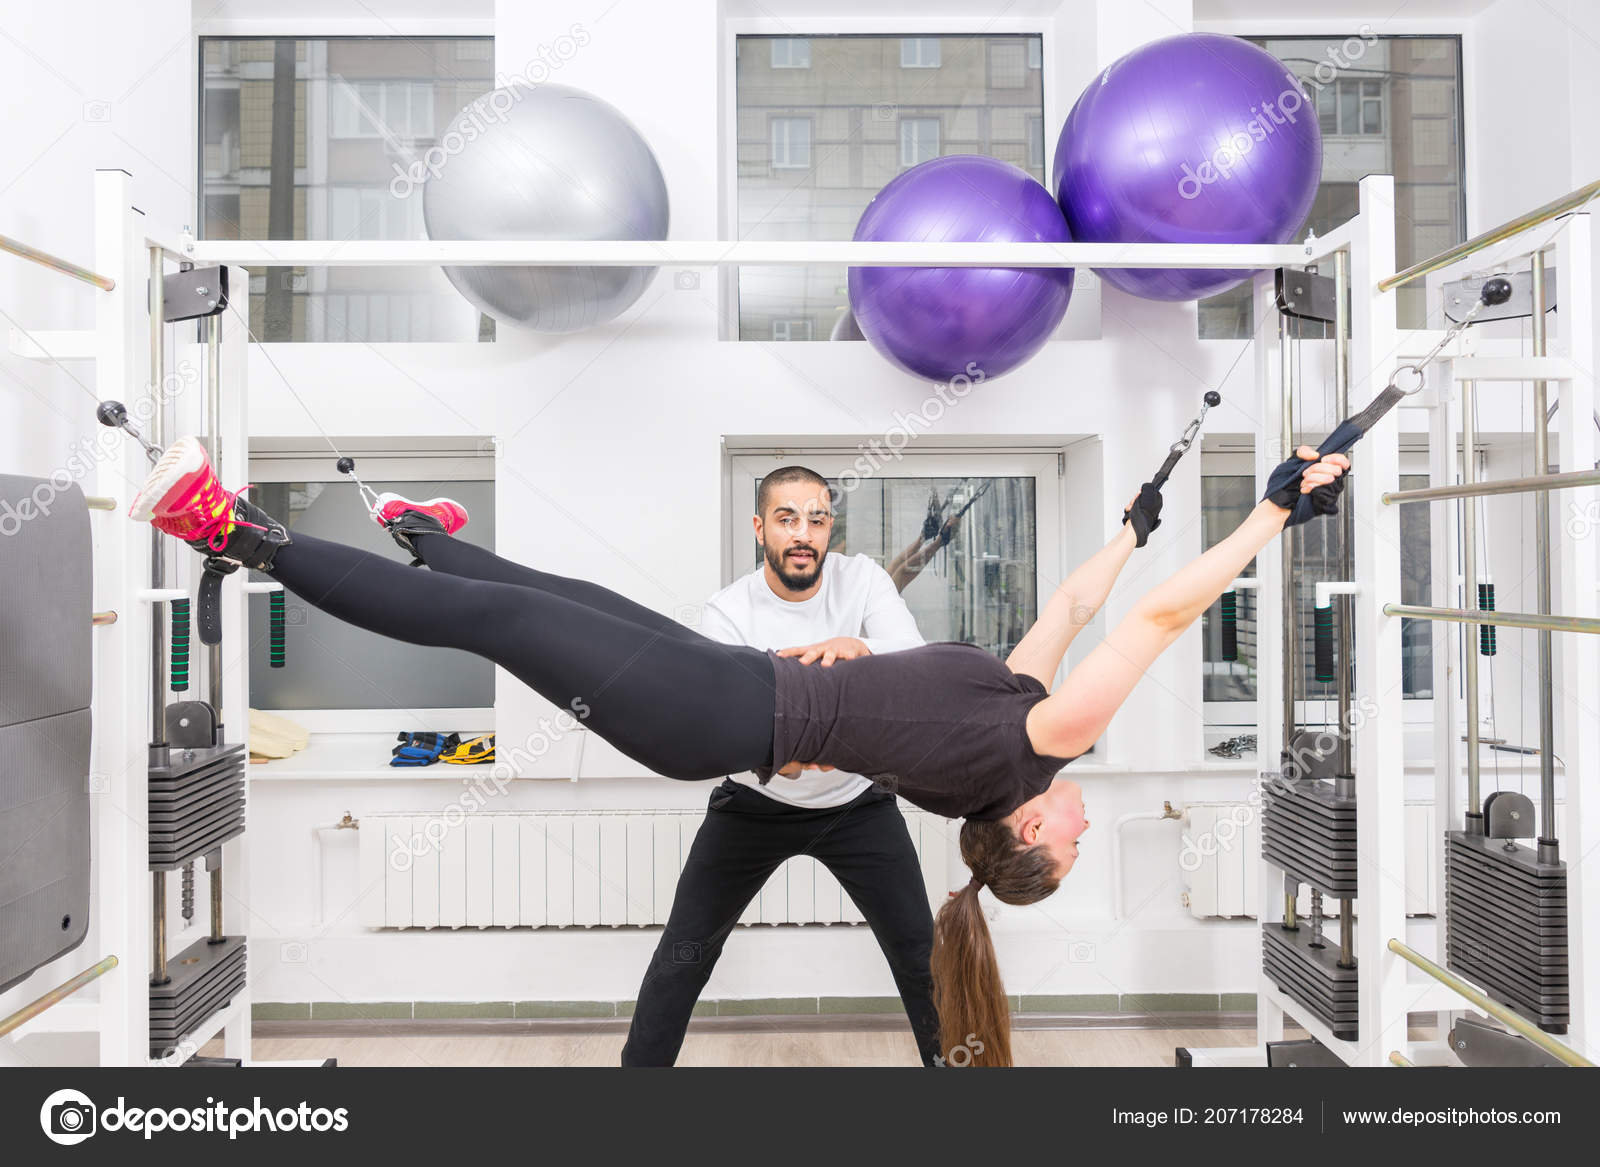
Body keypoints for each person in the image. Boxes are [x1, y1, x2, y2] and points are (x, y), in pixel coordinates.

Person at [130, 435, 1349, 1066]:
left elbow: (1160, 624)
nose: (1085, 824)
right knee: (562, 596)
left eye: (1073, 849)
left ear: (1027, 828)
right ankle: (420, 536)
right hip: (733, 690)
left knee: (505, 627)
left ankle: (234, 530)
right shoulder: (1023, 708)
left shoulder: (1031, 751)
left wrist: (1271, 512)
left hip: (718, 724)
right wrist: (1130, 528)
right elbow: (1093, 606)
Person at [623, 465, 941, 1067]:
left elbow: (918, 664)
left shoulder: (862, 580)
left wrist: (860, 648)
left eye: (817, 520)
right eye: (787, 519)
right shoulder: (726, 614)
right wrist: (785, 757)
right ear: (759, 528)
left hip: (858, 805)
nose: (803, 533)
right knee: (684, 953)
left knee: (920, 952)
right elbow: (725, 731)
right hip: (754, 804)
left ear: (830, 528)